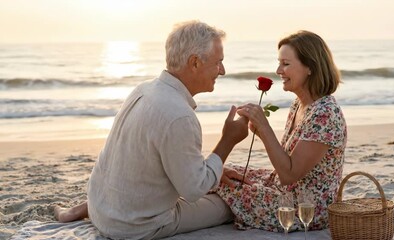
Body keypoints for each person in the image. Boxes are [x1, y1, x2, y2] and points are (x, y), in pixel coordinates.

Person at [54, 20, 250, 239]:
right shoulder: (180, 116)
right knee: (230, 203)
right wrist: (228, 141)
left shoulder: (144, 89)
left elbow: (157, 158)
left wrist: (215, 170)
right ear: (194, 63)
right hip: (134, 227)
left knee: (210, 179)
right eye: (218, 62)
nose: (222, 71)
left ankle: (79, 210)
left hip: (101, 208)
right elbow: (193, 191)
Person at [215, 30, 347, 232]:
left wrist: (265, 128)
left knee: (224, 184)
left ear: (310, 67)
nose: (278, 70)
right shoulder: (300, 104)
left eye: (286, 64)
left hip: (306, 207)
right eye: (279, 63)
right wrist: (260, 131)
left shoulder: (325, 114)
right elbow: (286, 162)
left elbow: (289, 174)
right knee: (226, 171)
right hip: (286, 189)